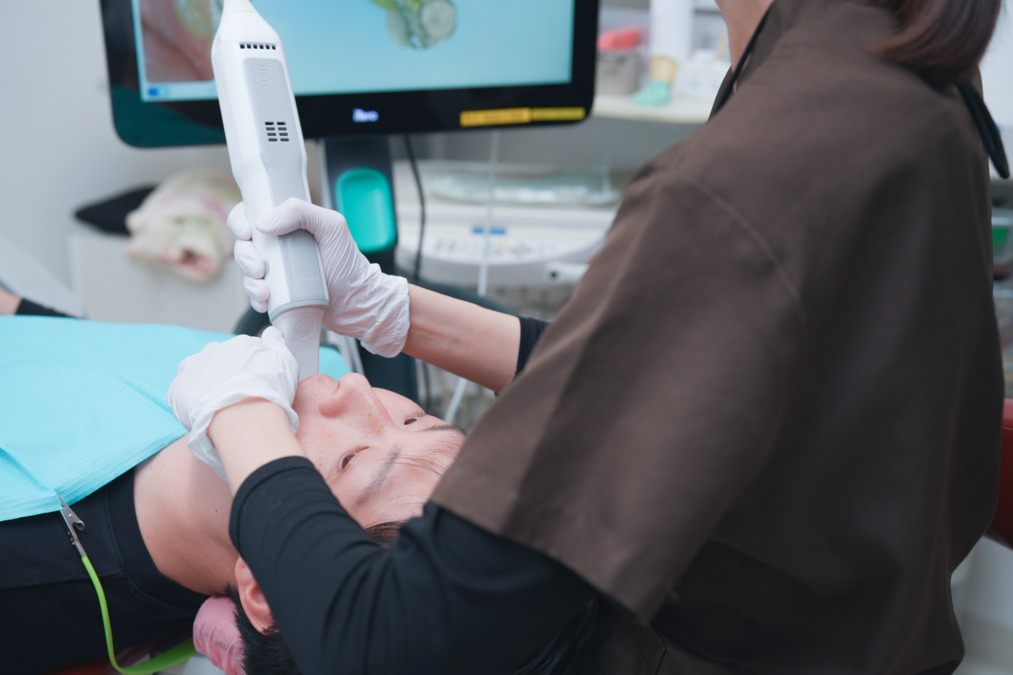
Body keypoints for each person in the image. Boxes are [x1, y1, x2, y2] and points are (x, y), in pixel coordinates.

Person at [168, 0, 1009, 672]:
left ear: (257, 588)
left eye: (382, 444)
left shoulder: (744, 184)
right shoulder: (892, 77)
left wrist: (245, 416)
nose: (344, 388)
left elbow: (391, 642)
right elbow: (673, 387)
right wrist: (392, 309)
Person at [0, 293, 468, 673]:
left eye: (351, 460)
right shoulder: (277, 370)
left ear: (268, 587)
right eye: (415, 419)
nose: (358, 390)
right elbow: (69, 349)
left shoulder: (26, 586)